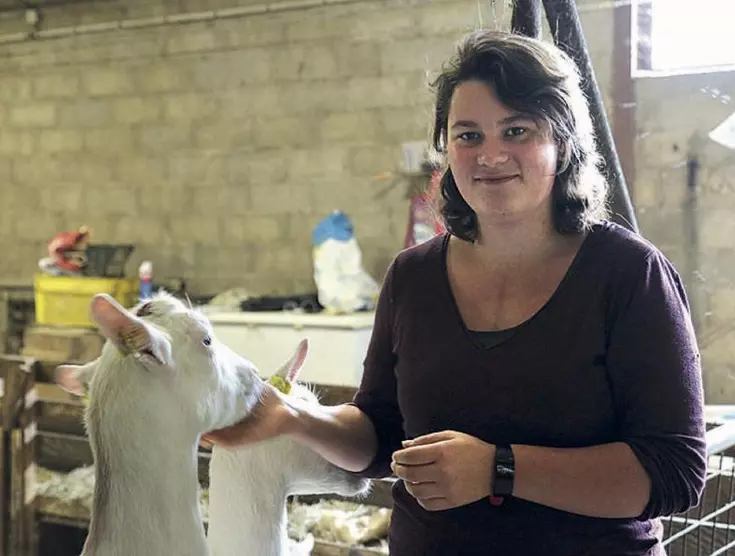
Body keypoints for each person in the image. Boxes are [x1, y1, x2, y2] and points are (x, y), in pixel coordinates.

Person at [203, 30, 707, 555]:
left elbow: (674, 470)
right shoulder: (412, 278)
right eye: (468, 135)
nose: (491, 155)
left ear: (564, 143)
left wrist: (499, 469)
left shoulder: (629, 274)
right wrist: (294, 416)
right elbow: (381, 436)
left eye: (517, 130)